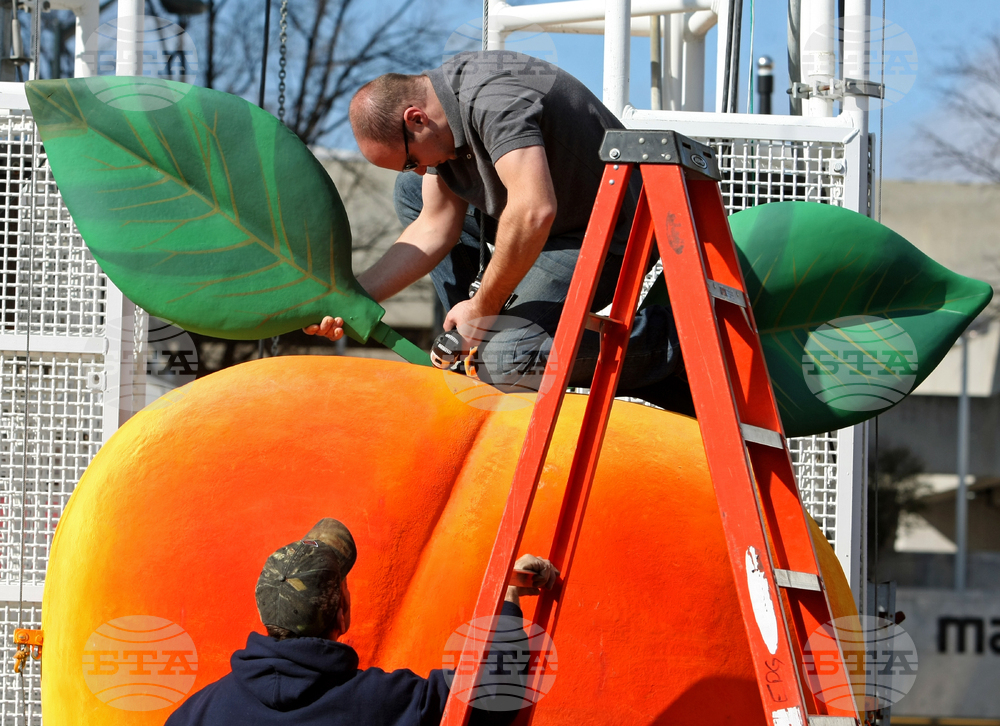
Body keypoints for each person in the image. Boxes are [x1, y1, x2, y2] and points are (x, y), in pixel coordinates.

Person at [306, 50, 692, 412]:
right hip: (551, 226)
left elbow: (534, 211)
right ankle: (467, 349)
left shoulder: (493, 98)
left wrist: (484, 308)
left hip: (611, 232)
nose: (420, 169)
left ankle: (674, 343)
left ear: (416, 118)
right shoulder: (441, 125)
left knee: (506, 359)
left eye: (410, 160)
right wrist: (350, 297)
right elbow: (434, 226)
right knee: (411, 194)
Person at [165, 517, 558, 726]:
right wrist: (509, 594)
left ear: (267, 612)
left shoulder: (197, 713)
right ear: (342, 613)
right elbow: (493, 698)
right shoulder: (385, 702)